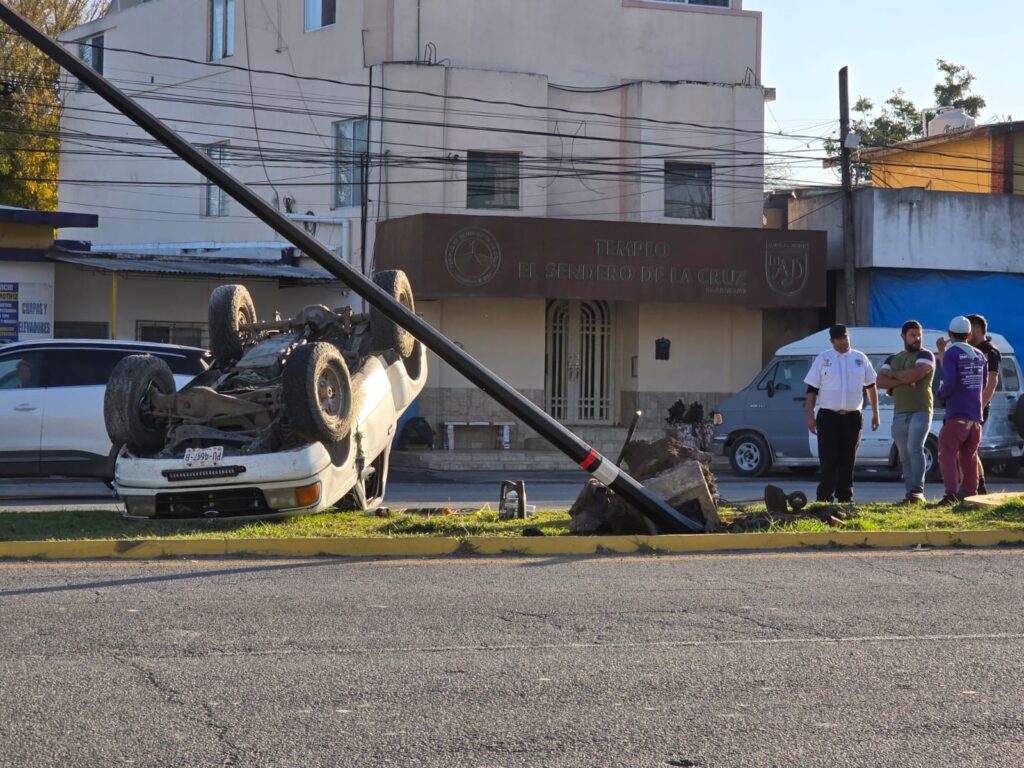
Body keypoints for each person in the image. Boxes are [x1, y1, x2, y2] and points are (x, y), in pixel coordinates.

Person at [804, 324, 880, 504]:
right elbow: (811, 390)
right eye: (839, 338)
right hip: (828, 416)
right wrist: (810, 416)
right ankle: (824, 497)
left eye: (845, 337)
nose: (843, 341)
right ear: (832, 341)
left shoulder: (860, 358)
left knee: (848, 458)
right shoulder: (823, 359)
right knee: (828, 457)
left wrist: (875, 413)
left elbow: (871, 387)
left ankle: (846, 497)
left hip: (852, 417)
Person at [876, 321, 935, 504]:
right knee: (904, 455)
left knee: (915, 449)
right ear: (903, 337)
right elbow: (880, 381)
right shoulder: (893, 358)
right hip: (899, 412)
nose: (917, 338)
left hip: (920, 410)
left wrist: (894, 375)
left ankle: (918, 491)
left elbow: (915, 375)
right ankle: (910, 494)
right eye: (912, 335)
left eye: (919, 335)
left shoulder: (925, 355)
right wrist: (904, 379)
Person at [935, 316, 987, 505]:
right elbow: (983, 384)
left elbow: (949, 382)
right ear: (969, 334)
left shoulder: (952, 354)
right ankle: (970, 494)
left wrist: (941, 394)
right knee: (969, 456)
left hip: (957, 414)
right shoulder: (979, 355)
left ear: (950, 334)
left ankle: (950, 495)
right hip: (976, 416)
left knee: (947, 453)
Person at [967, 314, 1000, 494]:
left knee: (969, 448)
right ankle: (978, 487)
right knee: (968, 448)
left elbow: (992, 382)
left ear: (976, 329)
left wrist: (978, 407)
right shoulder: (970, 350)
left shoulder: (990, 351)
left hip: (977, 408)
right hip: (966, 406)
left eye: (968, 329)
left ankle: (977, 487)